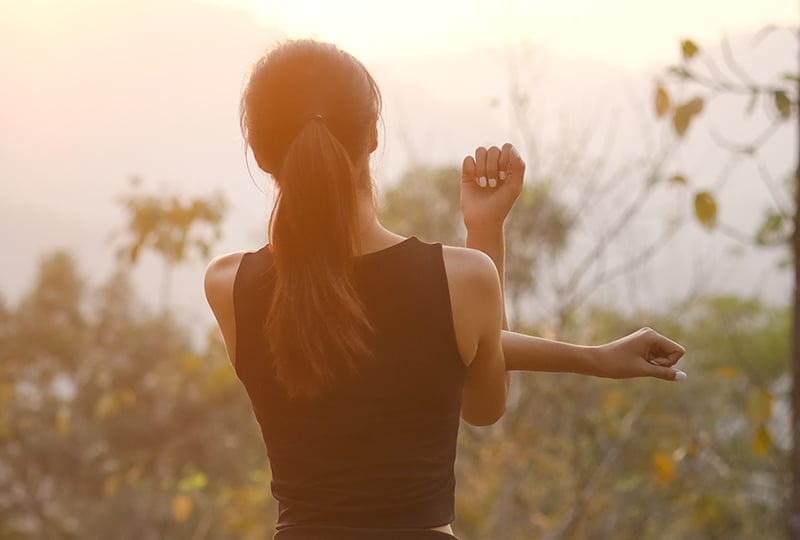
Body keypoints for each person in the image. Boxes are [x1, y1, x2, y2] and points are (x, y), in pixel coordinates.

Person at [204, 39, 686, 540]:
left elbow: (363, 322)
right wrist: (485, 232)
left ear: (260, 155)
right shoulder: (461, 279)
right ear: (372, 134)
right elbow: (482, 402)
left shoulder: (228, 285)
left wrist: (596, 358)